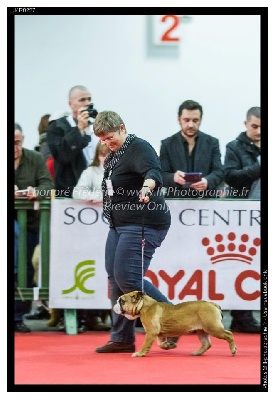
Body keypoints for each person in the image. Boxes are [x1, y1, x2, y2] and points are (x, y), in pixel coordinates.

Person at [92, 110, 177, 353]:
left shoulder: (139, 147)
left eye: (110, 138)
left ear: (121, 127)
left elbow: (153, 173)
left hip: (144, 221)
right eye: (103, 141)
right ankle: (122, 338)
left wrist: (146, 188)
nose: (108, 144)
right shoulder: (114, 156)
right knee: (115, 277)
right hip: (119, 224)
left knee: (128, 278)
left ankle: (173, 321)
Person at [224, 106, 261, 333]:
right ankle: (241, 315)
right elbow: (231, 177)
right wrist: (259, 167)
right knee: (242, 265)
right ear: (245, 124)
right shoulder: (233, 147)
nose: (259, 131)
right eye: (255, 126)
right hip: (244, 214)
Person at [14, 123, 54, 332]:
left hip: (28, 224)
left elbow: (49, 187)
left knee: (26, 268)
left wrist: (35, 191)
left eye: (18, 142)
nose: (14, 147)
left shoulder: (35, 158)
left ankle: (18, 316)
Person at [71, 141, 111, 331]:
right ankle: (90, 316)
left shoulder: (124, 172)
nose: (106, 158)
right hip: (91, 233)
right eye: (103, 155)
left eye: (110, 155)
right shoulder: (90, 172)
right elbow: (76, 192)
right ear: (98, 155)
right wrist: (93, 197)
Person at [159, 100, 224, 198]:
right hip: (176, 202)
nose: (191, 125)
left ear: (200, 120)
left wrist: (207, 181)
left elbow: (219, 171)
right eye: (186, 120)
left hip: (207, 202)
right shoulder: (167, 144)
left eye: (195, 120)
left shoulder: (212, 142)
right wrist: (173, 178)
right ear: (179, 119)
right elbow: (161, 174)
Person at [46, 85, 100, 198]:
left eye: (89, 99)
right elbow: (62, 156)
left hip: (96, 191)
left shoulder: (96, 127)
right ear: (71, 104)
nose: (87, 103)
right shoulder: (56, 127)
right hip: (69, 192)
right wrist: (79, 129)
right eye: (82, 100)